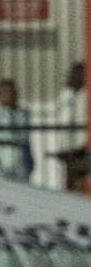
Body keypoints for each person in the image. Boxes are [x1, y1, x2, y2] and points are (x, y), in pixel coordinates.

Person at [0, 78, 33, 182]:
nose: (9, 95)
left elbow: (25, 139)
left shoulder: (23, 114)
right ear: (0, 95)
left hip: (19, 160)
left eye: (11, 92)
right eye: (5, 92)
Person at [51, 62, 86, 191]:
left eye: (80, 74)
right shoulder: (65, 95)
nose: (77, 77)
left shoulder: (86, 95)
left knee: (80, 181)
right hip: (66, 147)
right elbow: (62, 121)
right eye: (74, 74)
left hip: (81, 149)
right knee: (68, 184)